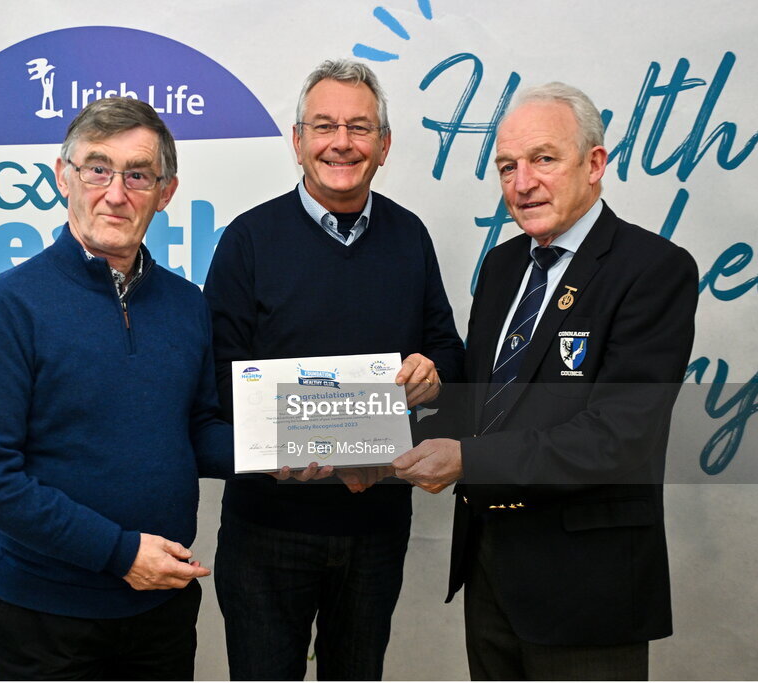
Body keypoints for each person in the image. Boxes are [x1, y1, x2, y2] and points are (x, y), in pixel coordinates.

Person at [393, 82, 699, 680]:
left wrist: (467, 461)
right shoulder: (504, 266)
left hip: (588, 592)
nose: (522, 182)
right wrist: (377, 444)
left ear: (595, 164)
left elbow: (618, 437)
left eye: (543, 159)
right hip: (490, 577)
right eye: (507, 166)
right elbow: (482, 409)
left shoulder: (654, 270)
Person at [0, 97, 232, 680]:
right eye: (97, 169)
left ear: (166, 192)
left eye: (138, 175)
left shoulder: (187, 305)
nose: (116, 192)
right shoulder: (6, 307)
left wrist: (283, 453)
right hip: (47, 618)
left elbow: (197, 432)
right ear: (63, 177)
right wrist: (120, 553)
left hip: (163, 604)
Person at [202, 58, 465, 680]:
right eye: (323, 126)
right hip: (268, 526)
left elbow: (448, 351)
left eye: (359, 127)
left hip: (375, 528)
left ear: (384, 145)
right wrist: (309, 440)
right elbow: (217, 377)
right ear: (298, 142)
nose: (340, 142)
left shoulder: (409, 237)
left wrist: (433, 375)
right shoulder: (248, 240)